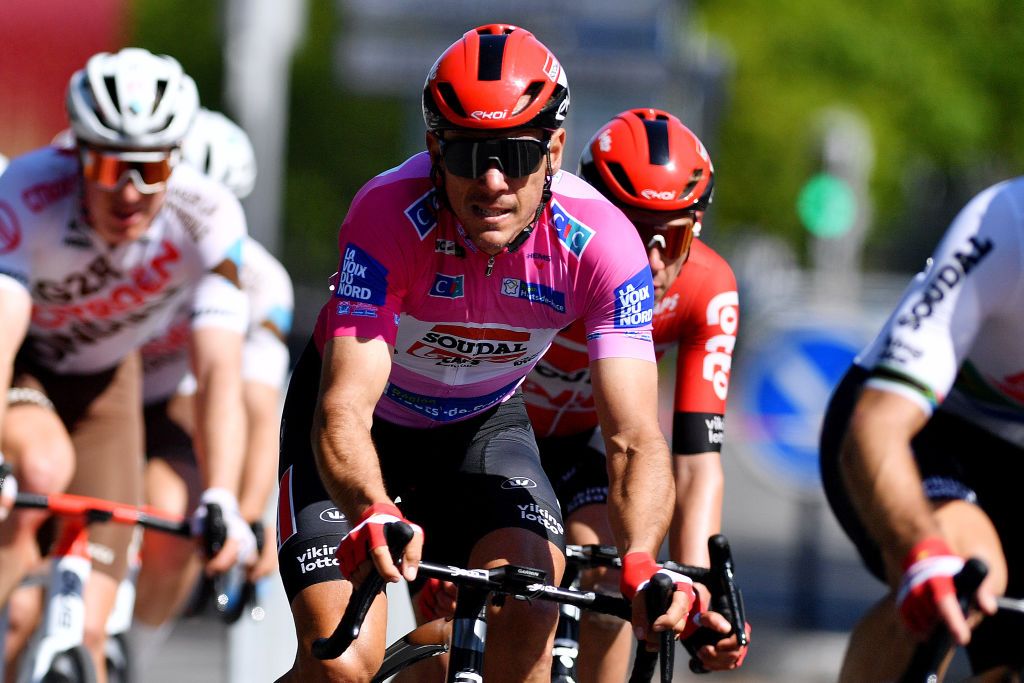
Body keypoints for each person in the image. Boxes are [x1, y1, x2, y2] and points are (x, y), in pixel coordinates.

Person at [275, 24, 695, 683]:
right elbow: (345, 405)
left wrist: (641, 556)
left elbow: (635, 437)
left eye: (518, 153)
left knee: (529, 610)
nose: (494, 180)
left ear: (555, 149)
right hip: (363, 437)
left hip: (481, 428)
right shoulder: (387, 213)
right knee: (342, 666)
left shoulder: (604, 245)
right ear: (434, 151)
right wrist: (370, 508)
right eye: (470, 156)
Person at [0, 48, 254, 680]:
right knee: (42, 465)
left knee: (87, 628)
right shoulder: (28, 190)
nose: (130, 191)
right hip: (25, 364)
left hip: (105, 381)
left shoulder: (210, 217)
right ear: (79, 156)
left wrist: (222, 492)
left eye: (151, 167)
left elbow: (220, 369)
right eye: (112, 165)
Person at [506, 108, 748, 680]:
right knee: (471, 605)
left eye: (677, 234)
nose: (655, 257)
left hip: (585, 446)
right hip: (491, 437)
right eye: (638, 231)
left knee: (614, 568)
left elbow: (696, 462)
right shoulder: (546, 257)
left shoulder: (708, 290)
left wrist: (694, 582)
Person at [819, 176, 1024, 681]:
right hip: (914, 431)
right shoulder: (1003, 225)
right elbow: (876, 428)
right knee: (964, 572)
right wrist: (923, 556)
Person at [128, 107, 293, 669]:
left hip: (180, 406)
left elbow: (258, 405)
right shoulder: (125, 245)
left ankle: (132, 651)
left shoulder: (262, 280)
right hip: (115, 396)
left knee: (175, 516)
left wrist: (249, 517)